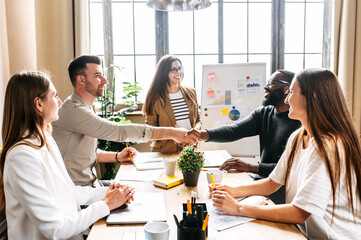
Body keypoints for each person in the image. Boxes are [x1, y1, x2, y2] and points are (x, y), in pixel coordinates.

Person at [210, 69, 361, 239]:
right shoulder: (298, 137)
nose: (287, 99)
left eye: (291, 93)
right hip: (304, 233)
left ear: (312, 97)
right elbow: (272, 183)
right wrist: (232, 191)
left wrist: (238, 209)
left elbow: (299, 212)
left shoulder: (328, 146)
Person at [0, 71, 136, 240]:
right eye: (54, 95)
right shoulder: (21, 157)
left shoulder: (46, 140)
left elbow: (68, 192)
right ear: (38, 104)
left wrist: (108, 193)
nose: (59, 101)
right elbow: (55, 230)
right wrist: (107, 204)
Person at [52, 55, 197, 187]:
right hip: (78, 191)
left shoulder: (85, 107)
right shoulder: (75, 111)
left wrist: (117, 156)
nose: (105, 80)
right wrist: (174, 133)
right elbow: (119, 131)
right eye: (97, 76)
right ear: (81, 80)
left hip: (92, 184)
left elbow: (85, 153)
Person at [188, 70, 300, 203]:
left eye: (271, 83)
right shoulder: (264, 113)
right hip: (261, 183)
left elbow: (290, 169)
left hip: (282, 193)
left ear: (288, 89)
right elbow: (234, 130)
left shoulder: (300, 123)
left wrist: (250, 167)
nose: (265, 87)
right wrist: (201, 135)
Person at [143, 55, 201, 153]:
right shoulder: (155, 98)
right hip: (165, 152)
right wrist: (175, 136)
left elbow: (199, 120)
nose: (178, 72)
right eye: (173, 70)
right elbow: (149, 132)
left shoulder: (191, 92)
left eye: (179, 68)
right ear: (164, 73)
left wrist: (193, 133)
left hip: (190, 151)